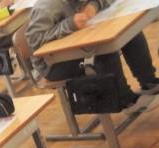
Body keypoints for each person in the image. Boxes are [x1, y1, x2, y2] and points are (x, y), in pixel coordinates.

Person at [26, 0, 159, 114]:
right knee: (102, 49)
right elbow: (34, 40)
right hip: (52, 63)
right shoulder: (47, 5)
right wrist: (69, 24)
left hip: (78, 43)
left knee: (129, 31)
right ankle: (127, 101)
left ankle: (149, 82)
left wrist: (95, 5)